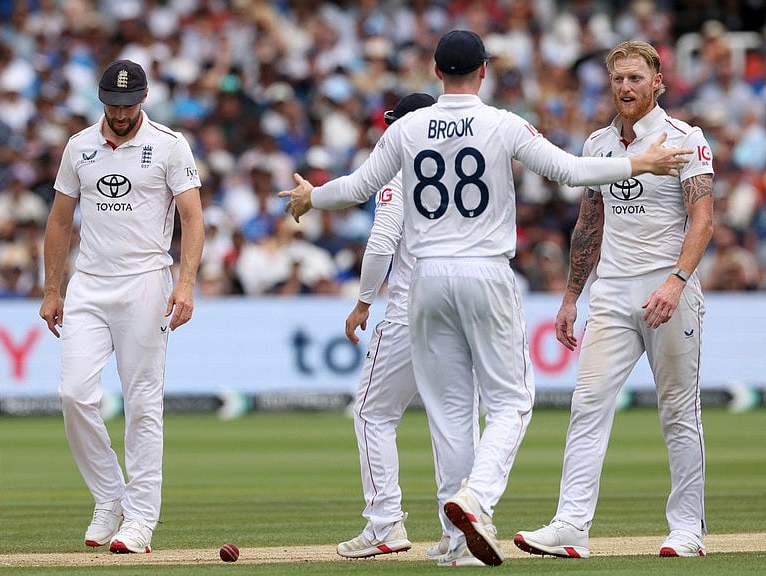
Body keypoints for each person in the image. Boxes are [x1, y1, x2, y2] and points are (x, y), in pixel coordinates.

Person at [279, 30, 693, 567]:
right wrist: (635, 164)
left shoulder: (408, 127)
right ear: (484, 70)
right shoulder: (501, 122)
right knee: (512, 401)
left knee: (450, 411)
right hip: (484, 271)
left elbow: (358, 186)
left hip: (424, 278)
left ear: (435, 71)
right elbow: (568, 171)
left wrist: (313, 196)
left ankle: (460, 545)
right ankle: (476, 500)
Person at [514, 40, 715, 559]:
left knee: (677, 411)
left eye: (635, 78)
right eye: (618, 78)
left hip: (668, 288)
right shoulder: (600, 144)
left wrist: (675, 281)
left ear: (657, 83)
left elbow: (703, 219)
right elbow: (589, 223)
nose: (626, 87)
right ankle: (571, 526)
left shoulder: (684, 140)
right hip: (611, 292)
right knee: (587, 404)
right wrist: (571, 296)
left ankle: (687, 529)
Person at [39, 59, 204, 554]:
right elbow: (58, 221)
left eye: (130, 105)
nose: (122, 113)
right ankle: (110, 496)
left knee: (142, 403)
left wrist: (186, 283)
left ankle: (140, 520)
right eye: (113, 104)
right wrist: (52, 289)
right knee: (73, 395)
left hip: (146, 283)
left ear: (144, 100)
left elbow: (193, 219)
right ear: (101, 99)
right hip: (89, 282)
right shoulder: (79, 146)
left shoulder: (170, 145)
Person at [334, 92, 482, 565]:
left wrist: (361, 301)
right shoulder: (468, 161)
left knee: (371, 413)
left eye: (394, 124)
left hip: (410, 309)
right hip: (464, 306)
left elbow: (381, 240)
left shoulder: (400, 168)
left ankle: (384, 523)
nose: (388, 133)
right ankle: (457, 534)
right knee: (454, 422)